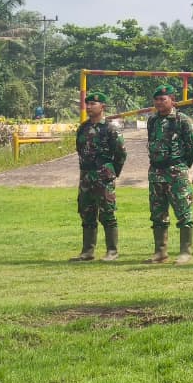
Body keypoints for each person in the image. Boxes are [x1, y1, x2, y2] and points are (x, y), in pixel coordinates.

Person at [69, 92, 127, 262]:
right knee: (86, 213)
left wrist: (111, 172)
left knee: (107, 213)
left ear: (103, 107)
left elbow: (121, 154)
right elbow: (80, 149)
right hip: (86, 176)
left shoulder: (109, 129)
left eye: (93, 104)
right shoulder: (83, 128)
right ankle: (87, 251)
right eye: (87, 104)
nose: (88, 107)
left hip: (103, 176)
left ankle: (112, 251)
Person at [144, 85, 193, 265]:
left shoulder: (182, 120)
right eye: (157, 99)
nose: (159, 102)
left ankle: (185, 251)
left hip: (176, 171)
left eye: (163, 99)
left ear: (172, 100)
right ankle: (160, 252)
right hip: (156, 172)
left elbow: (192, 147)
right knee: (158, 213)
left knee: (183, 211)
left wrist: (181, 165)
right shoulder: (152, 121)